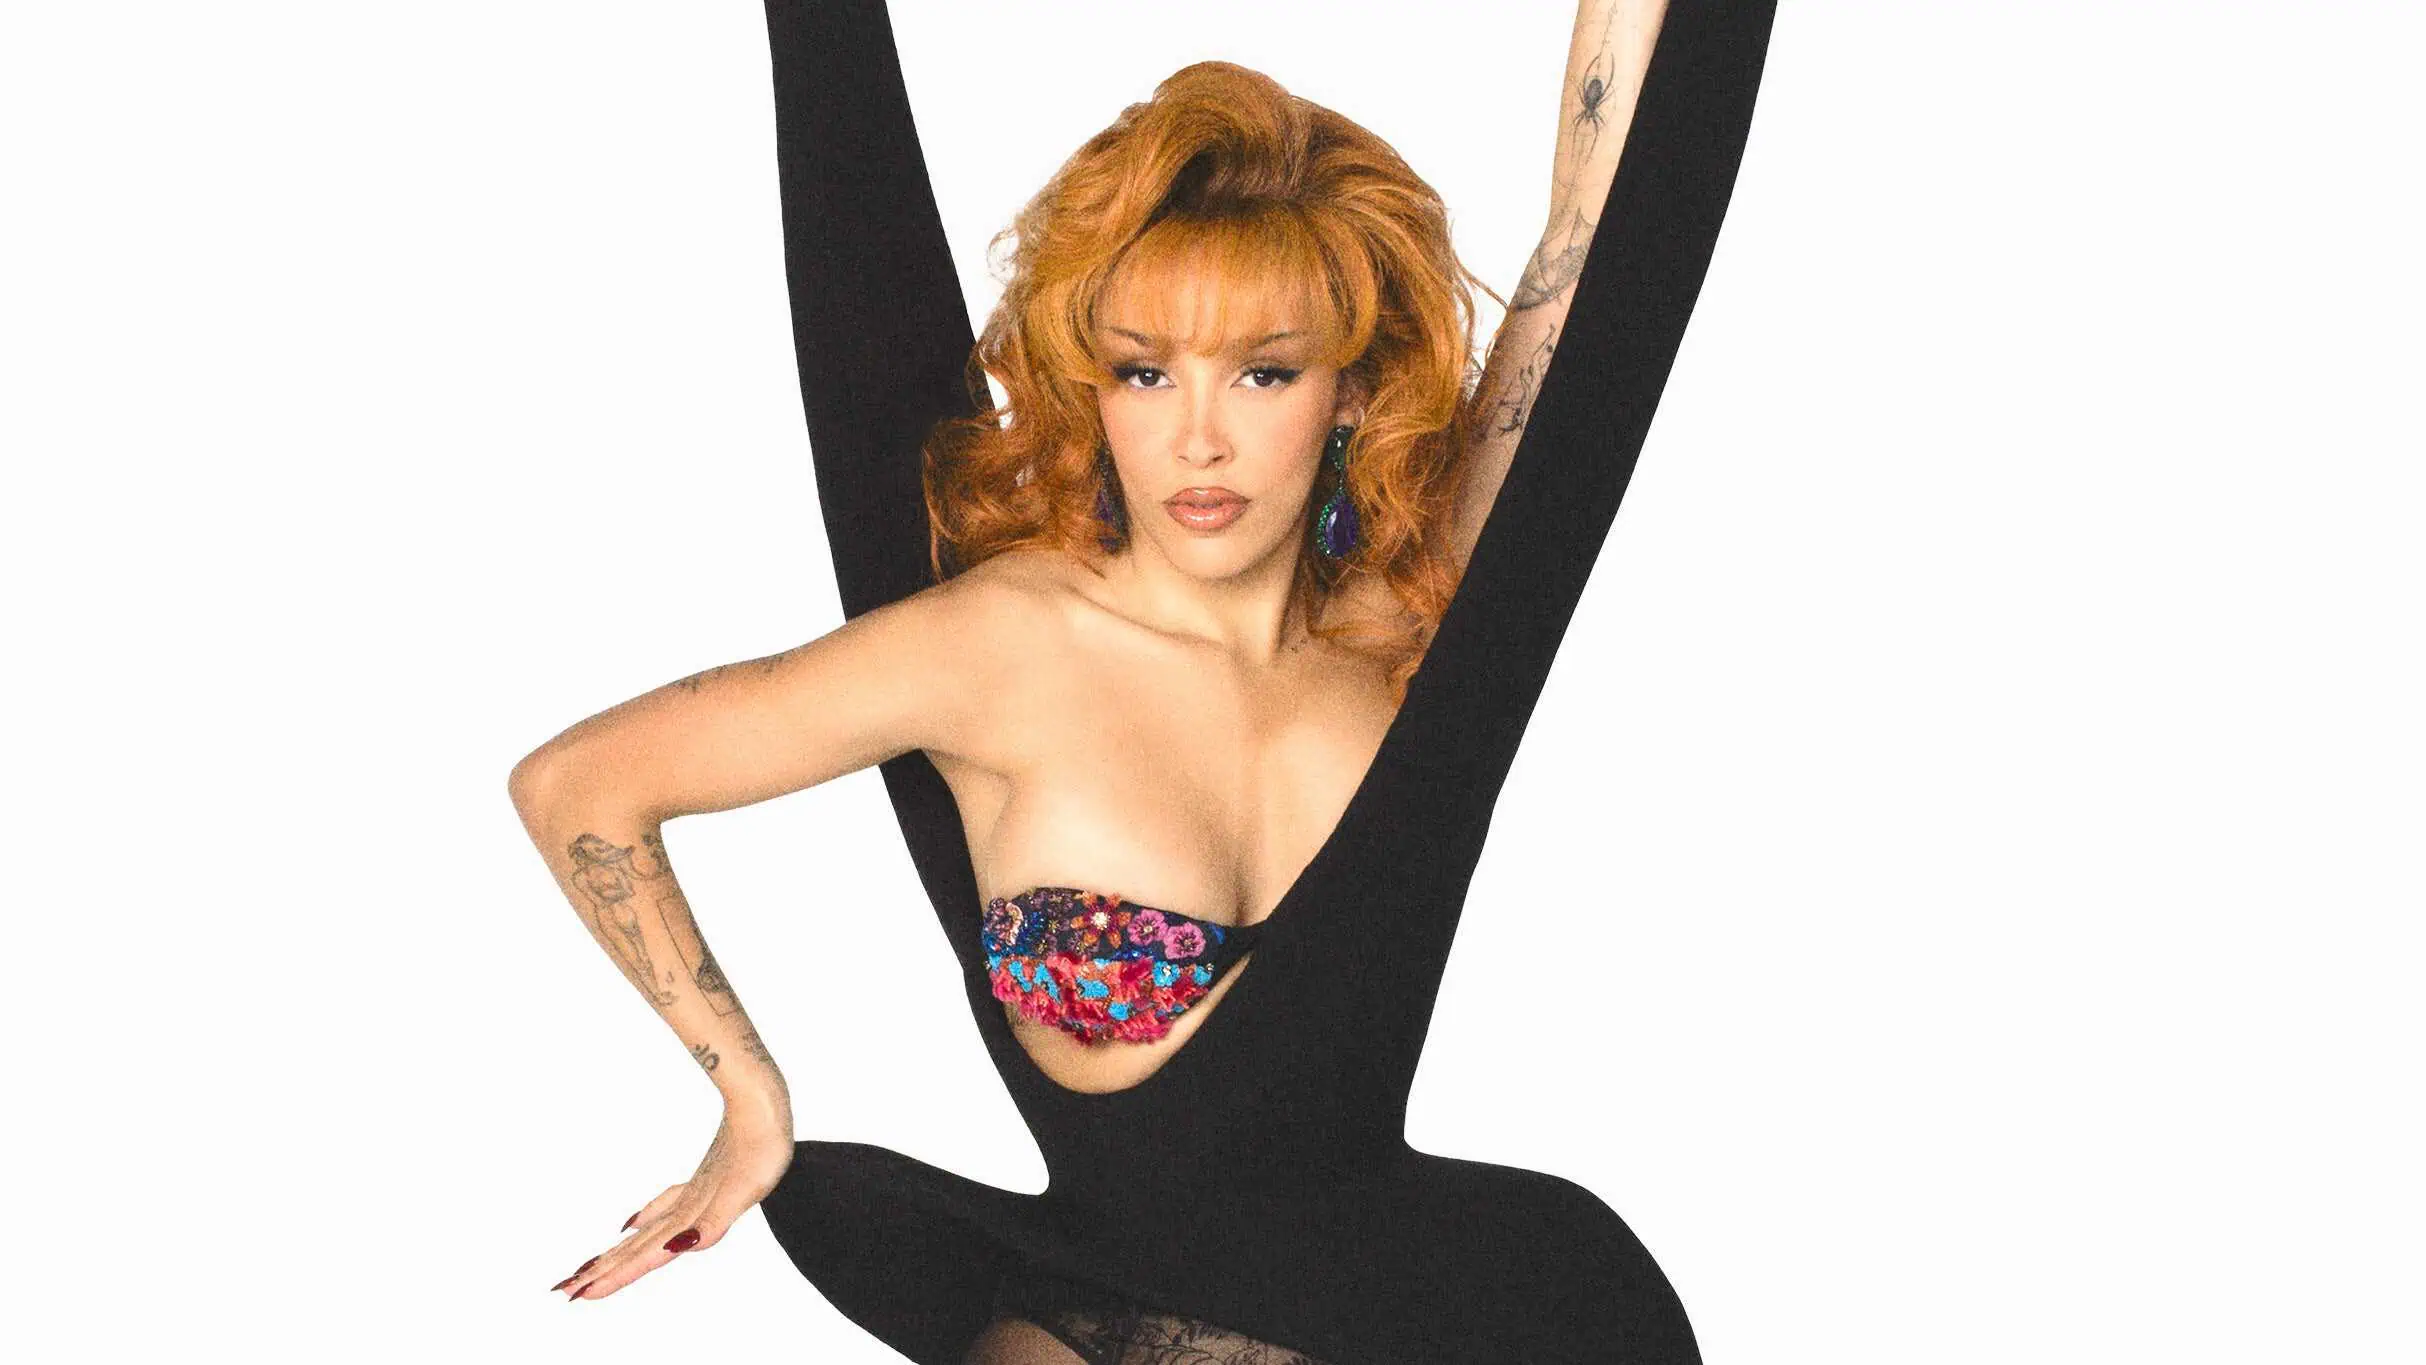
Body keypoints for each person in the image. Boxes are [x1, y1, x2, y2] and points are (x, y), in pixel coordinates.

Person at [508, 0, 1777, 1359]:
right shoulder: (1002, 643)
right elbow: (581, 785)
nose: (1198, 440)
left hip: (1441, 1302)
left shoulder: (1409, 624)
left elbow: (1589, 241)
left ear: (1349, 391)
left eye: (1263, 374)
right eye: (1144, 372)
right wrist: (747, 1097)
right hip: (1097, 1309)